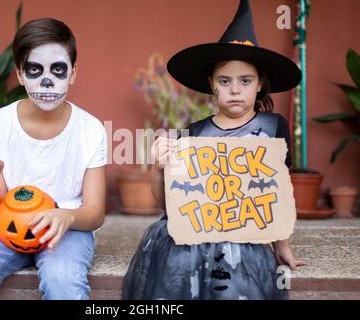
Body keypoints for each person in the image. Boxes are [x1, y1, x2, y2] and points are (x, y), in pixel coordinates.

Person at [123, 0, 307, 300]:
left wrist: (282, 246)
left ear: (260, 83)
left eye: (245, 81)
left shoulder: (274, 128)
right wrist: (158, 169)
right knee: (177, 277)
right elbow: (168, 205)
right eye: (225, 81)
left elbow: (277, 194)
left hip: (245, 233)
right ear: (212, 85)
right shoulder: (193, 133)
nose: (235, 89)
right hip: (196, 232)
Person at [0, 18, 107, 300]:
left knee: (63, 283)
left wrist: (66, 216)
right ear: (20, 74)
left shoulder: (90, 129)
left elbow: (94, 213)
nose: (47, 80)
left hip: (68, 228)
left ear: (73, 73)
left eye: (58, 70)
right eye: (35, 70)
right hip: (6, 227)